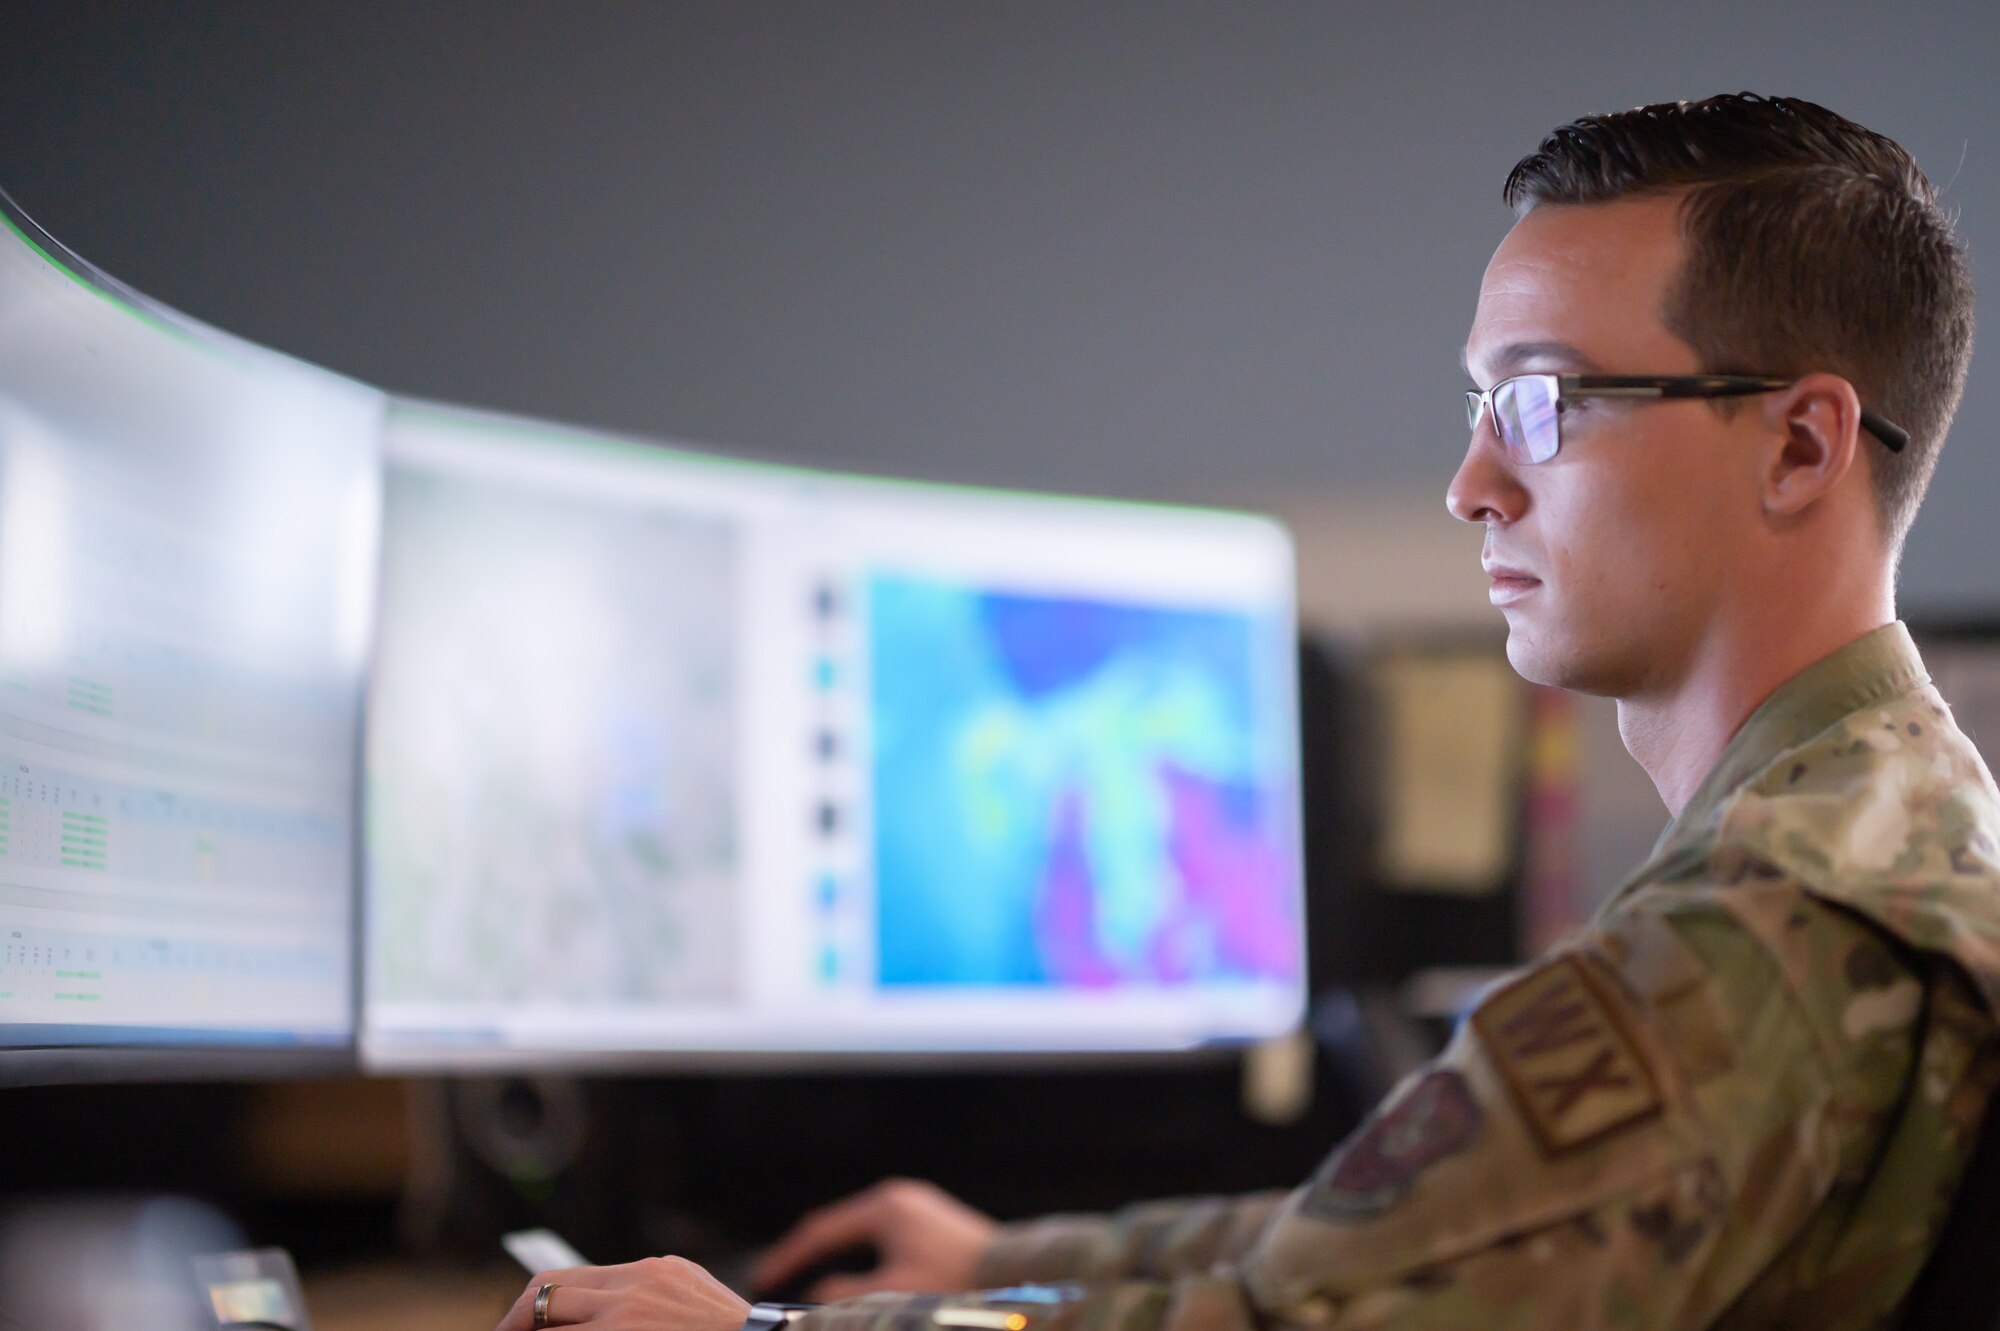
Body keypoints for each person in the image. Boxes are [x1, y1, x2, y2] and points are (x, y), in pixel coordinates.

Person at [497, 92, 2000, 1331]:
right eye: (1476, 409)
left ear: (1801, 447)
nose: (1475, 484)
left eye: (1543, 402)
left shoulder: (1761, 925)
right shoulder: (1868, 817)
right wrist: (999, 1256)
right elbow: (1402, 1235)